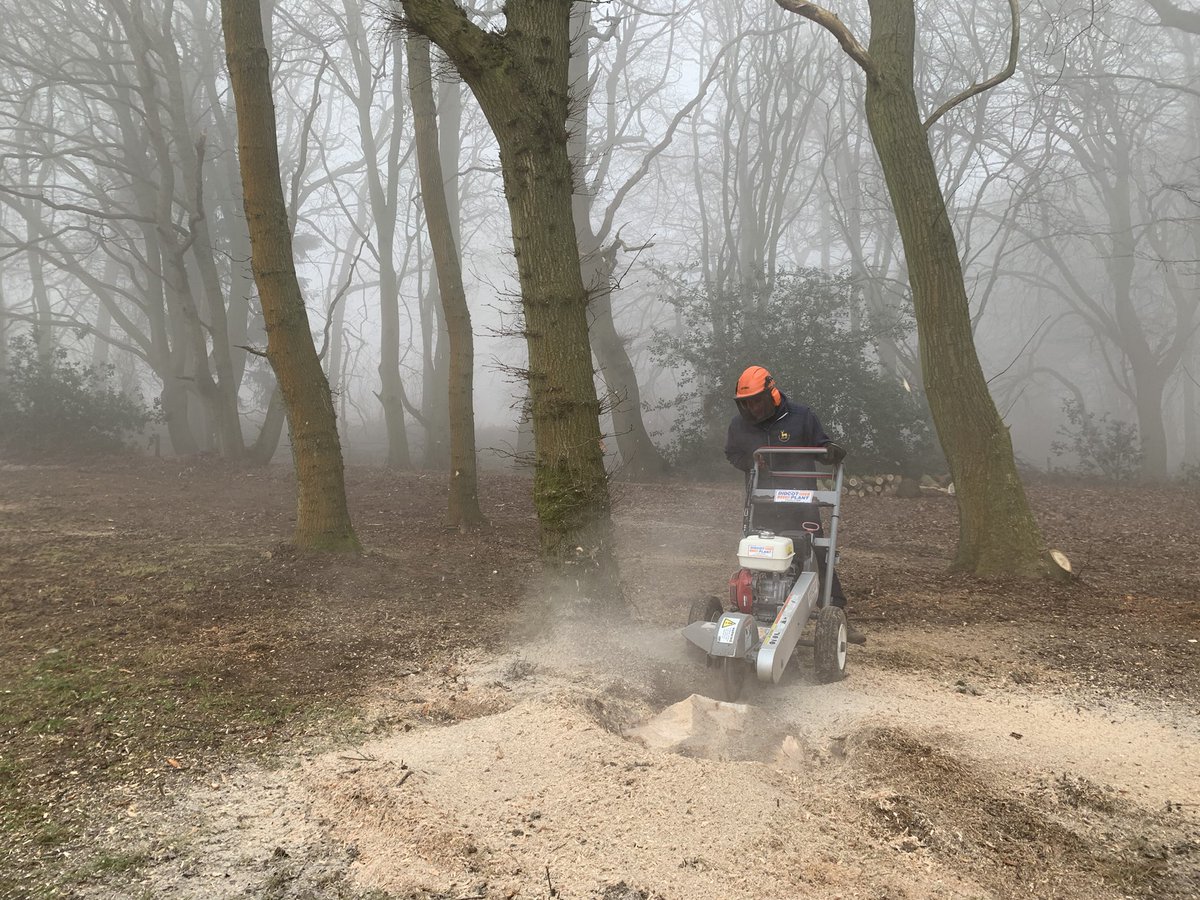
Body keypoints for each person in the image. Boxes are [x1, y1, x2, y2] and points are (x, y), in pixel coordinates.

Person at [724, 365, 866, 644]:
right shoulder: (739, 425)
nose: (752, 408)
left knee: (818, 553)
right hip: (762, 501)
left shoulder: (801, 416)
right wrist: (751, 462)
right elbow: (732, 454)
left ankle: (836, 615)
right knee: (760, 556)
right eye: (746, 403)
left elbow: (821, 445)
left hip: (801, 501)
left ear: (771, 394)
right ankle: (760, 608)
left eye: (756, 401)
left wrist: (829, 452)